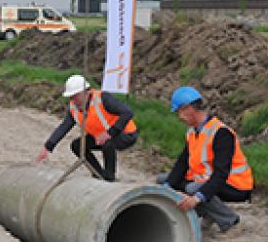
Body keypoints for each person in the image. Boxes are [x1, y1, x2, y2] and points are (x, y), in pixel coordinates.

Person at [158, 86, 254, 233]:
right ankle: (208, 212)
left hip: (236, 185)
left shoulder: (221, 133)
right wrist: (167, 187)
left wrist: (196, 198)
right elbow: (182, 164)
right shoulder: (192, 133)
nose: (179, 117)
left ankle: (230, 221)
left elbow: (221, 174)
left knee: (193, 189)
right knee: (164, 179)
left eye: (179, 112)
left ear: (189, 108)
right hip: (207, 180)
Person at [35, 74, 138, 182]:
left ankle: (109, 177)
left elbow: (128, 112)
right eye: (71, 97)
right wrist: (48, 147)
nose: (74, 100)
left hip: (125, 134)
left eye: (76, 96)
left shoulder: (103, 99)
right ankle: (98, 173)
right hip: (101, 136)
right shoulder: (73, 108)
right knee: (77, 146)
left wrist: (110, 133)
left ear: (87, 92)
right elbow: (64, 127)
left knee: (108, 142)